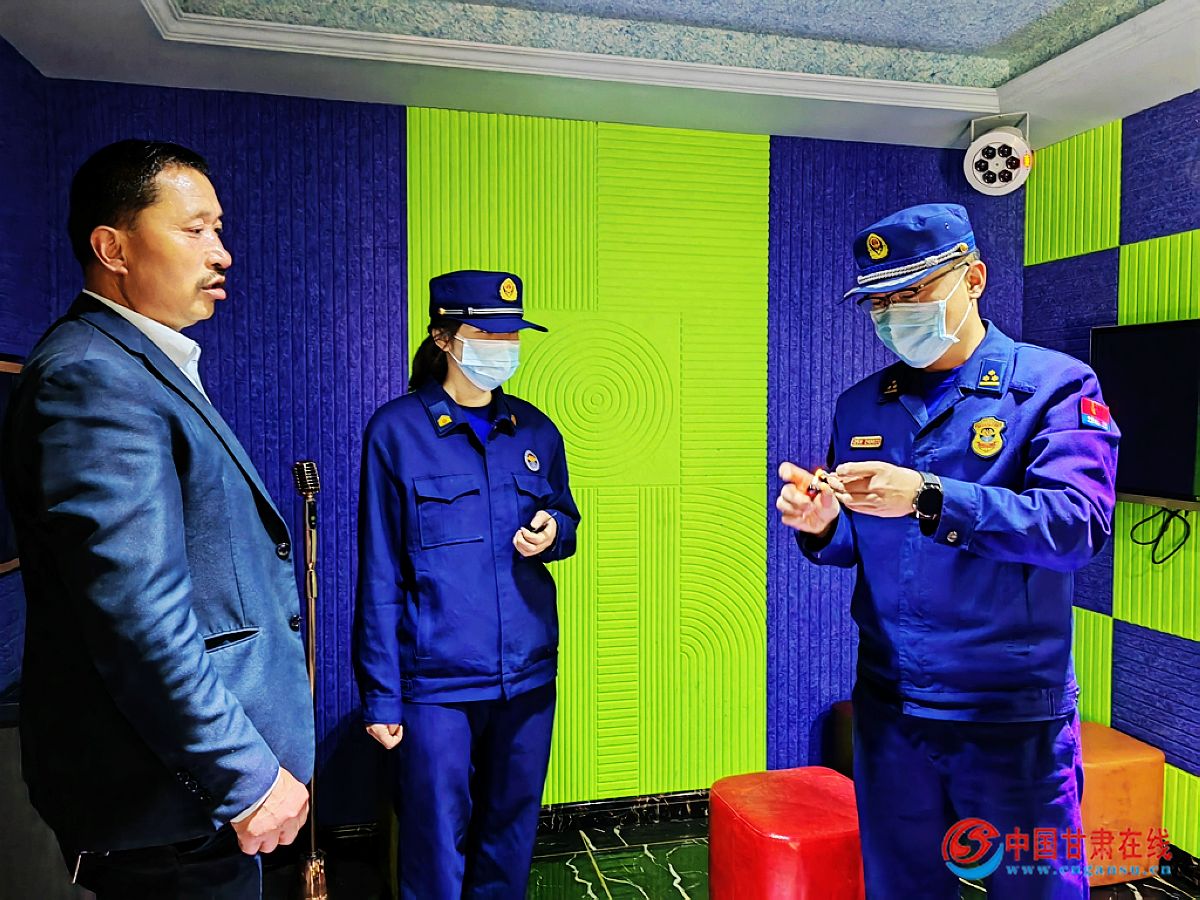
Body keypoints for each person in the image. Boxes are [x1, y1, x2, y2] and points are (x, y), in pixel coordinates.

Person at [775, 203, 1119, 899]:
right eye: (880, 302)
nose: (895, 314)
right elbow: (861, 540)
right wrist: (822, 523)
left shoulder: (1053, 388)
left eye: (914, 292)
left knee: (1036, 888)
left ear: (975, 279)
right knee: (901, 885)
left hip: (1009, 710)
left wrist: (931, 496)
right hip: (892, 706)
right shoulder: (862, 405)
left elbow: (1076, 524)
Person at [1, 140, 314, 899]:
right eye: (195, 229)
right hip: (169, 805)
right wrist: (244, 774)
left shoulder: (136, 364)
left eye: (219, 229)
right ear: (113, 248)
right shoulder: (92, 377)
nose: (222, 252)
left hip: (187, 801)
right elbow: (137, 616)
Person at [354, 269, 580, 900]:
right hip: (437, 684)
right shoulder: (396, 433)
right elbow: (379, 569)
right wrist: (381, 695)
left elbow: (567, 520)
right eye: (487, 334)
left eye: (512, 334)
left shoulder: (536, 432)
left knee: (510, 837)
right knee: (434, 845)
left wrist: (553, 531)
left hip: (527, 676)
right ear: (444, 337)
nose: (503, 347)